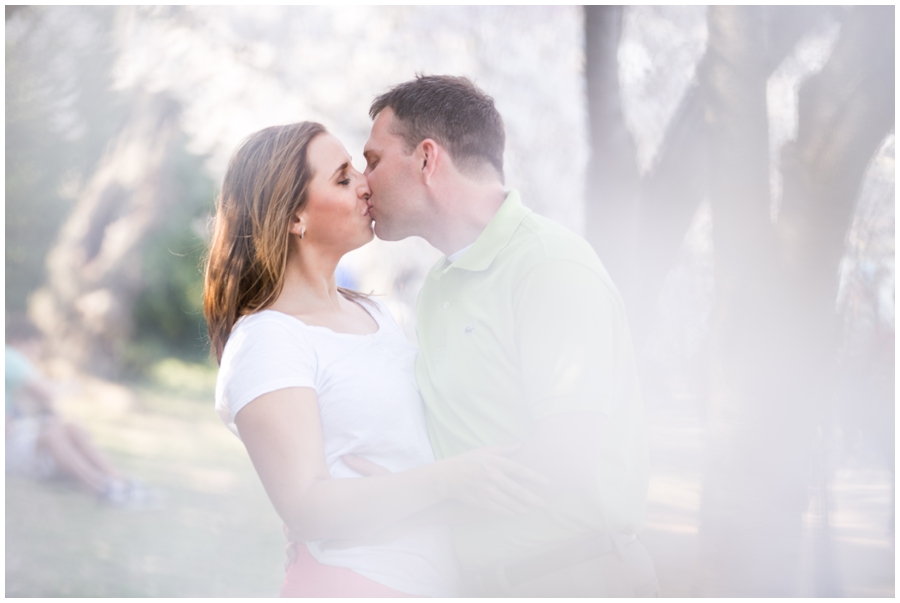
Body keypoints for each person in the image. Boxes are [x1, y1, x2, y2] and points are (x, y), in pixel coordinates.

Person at [203, 122, 547, 597]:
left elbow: (409, 457)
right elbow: (305, 507)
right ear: (292, 218)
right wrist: (450, 480)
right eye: (343, 179)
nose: (365, 184)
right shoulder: (268, 341)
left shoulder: (373, 313)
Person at [356, 74, 658, 596]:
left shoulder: (549, 265)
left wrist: (404, 498)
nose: (363, 181)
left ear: (427, 160)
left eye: (374, 160)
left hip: (575, 577)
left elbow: (567, 450)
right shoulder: (438, 287)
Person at [5, 317, 145, 506]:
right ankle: (102, 487)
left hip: (15, 441)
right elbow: (48, 394)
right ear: (19, 341)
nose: (37, 354)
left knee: (70, 426)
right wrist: (71, 388)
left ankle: (117, 480)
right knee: (53, 432)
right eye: (35, 346)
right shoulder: (10, 356)